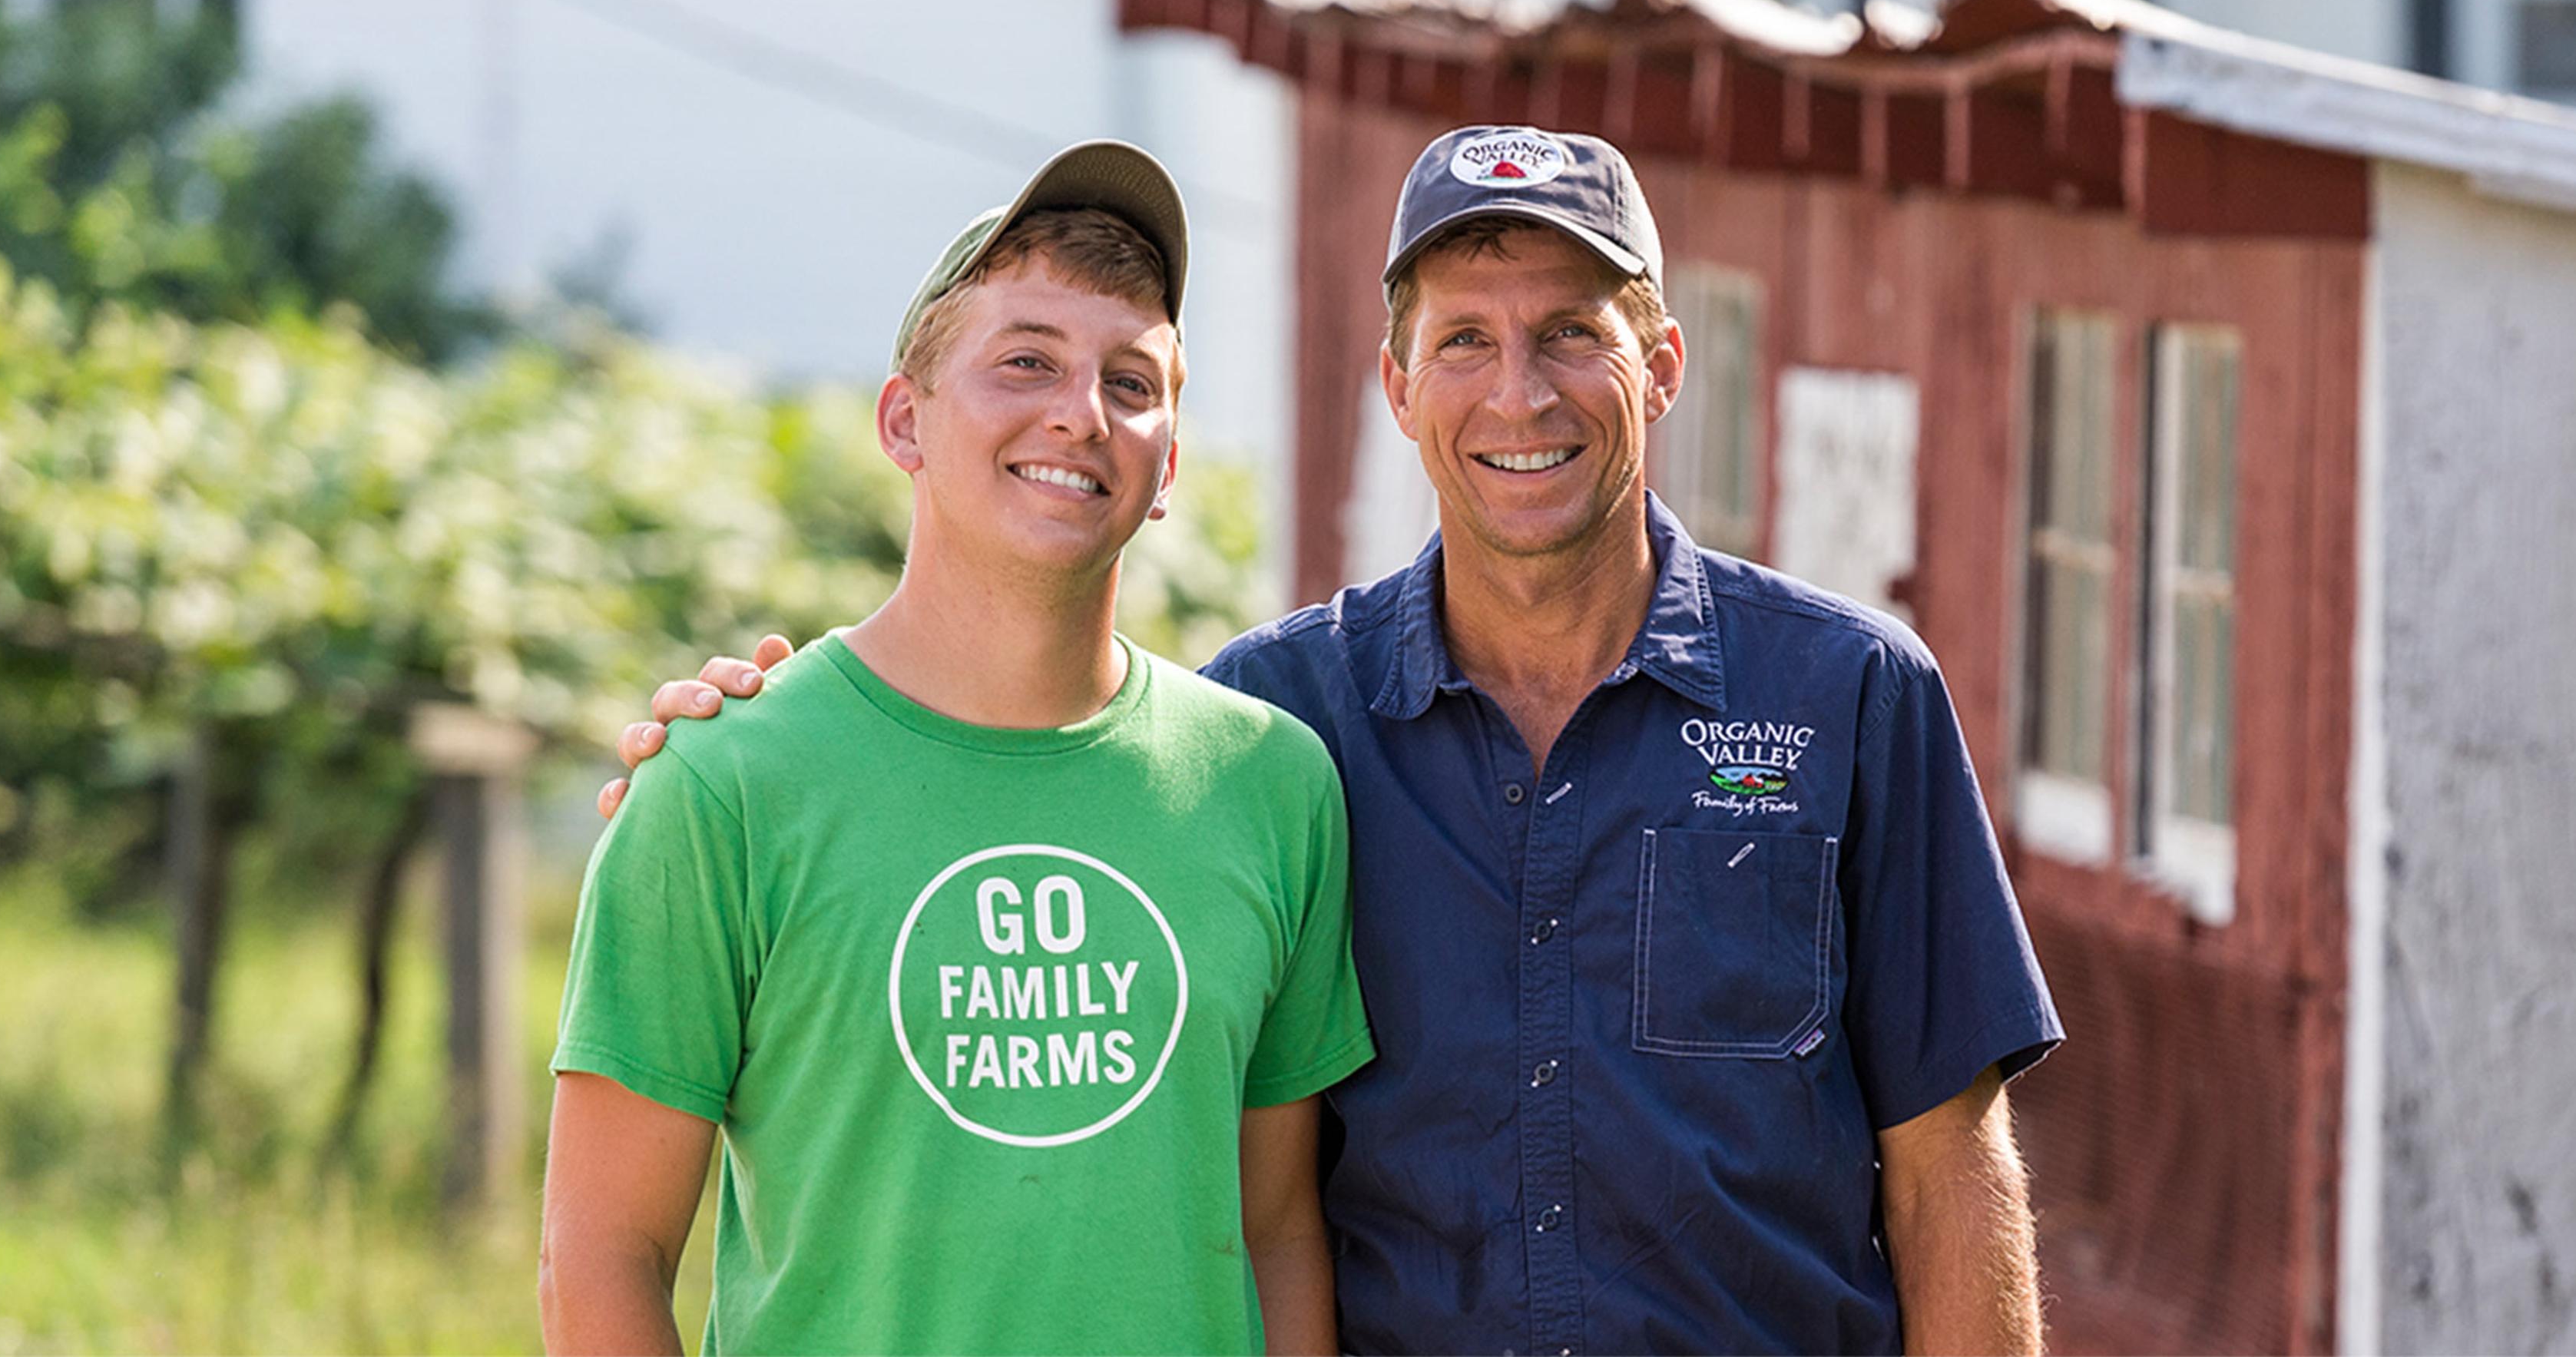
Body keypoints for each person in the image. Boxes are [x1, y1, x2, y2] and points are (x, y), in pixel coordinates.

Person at [608, 126, 2061, 1355]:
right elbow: (1009, 750)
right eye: (1467, 342)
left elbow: (1947, 1167)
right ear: (1398, 385)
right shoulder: (1276, 732)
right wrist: (748, 742)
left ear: (1663, 363)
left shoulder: (1850, 694)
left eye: (1573, 334)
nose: (1521, 393)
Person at [541, 141, 1372, 1357]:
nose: (1079, 412)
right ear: (904, 420)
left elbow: (1278, 1227)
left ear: (1170, 463)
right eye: (1025, 359)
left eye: (1131, 382)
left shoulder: (1270, 785)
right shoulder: (723, 782)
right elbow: (600, 1261)